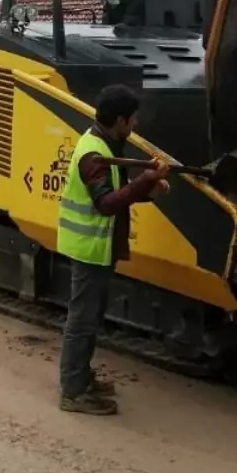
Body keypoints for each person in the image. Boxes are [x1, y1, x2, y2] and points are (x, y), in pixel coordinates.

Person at [56, 84, 170, 415]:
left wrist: (149, 189)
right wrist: (145, 181)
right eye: (133, 119)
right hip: (90, 248)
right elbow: (106, 203)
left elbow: (119, 191)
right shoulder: (94, 154)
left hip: (98, 247)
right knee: (81, 322)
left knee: (89, 320)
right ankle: (73, 392)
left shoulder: (105, 143)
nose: (135, 124)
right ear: (120, 119)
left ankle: (81, 379)